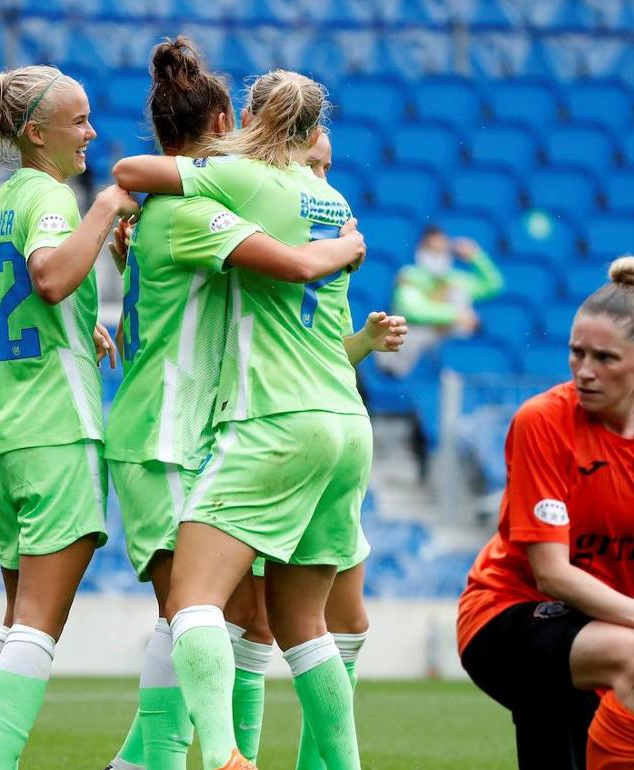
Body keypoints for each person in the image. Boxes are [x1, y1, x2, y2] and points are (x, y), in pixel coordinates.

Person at [100, 39, 371, 770]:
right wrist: (338, 251)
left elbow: (132, 179)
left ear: (251, 116)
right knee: (255, 617)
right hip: (204, 428)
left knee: (216, 609)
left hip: (250, 421)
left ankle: (203, 757)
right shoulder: (321, 199)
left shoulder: (229, 188)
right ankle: (170, 761)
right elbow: (280, 262)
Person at [456, 256, 634, 770]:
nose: (585, 371)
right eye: (576, 354)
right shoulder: (541, 422)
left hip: (589, 628)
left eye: (606, 358)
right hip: (504, 618)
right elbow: (549, 573)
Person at [0, 64, 139, 770]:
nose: (91, 132)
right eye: (80, 121)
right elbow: (52, 277)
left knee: (17, 621)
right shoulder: (55, 201)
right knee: (39, 624)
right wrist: (108, 208)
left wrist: (77, 328)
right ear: (37, 133)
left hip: (2, 436)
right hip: (56, 429)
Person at [220, 129, 406, 770]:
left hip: (328, 424)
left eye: (329, 166)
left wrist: (363, 342)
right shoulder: (263, 223)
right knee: (259, 619)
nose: (324, 179)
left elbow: (316, 348)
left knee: (346, 622)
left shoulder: (324, 229)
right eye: (313, 163)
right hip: (273, 426)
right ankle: (239, 754)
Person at [381, 225, 503, 376]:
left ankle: (457, 360)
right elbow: (413, 310)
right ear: (420, 250)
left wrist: (475, 256)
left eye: (442, 250)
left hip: (445, 341)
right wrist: (456, 316)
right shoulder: (409, 275)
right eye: (432, 250)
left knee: (458, 292)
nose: (438, 255)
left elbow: (493, 286)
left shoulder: (453, 278)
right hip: (411, 345)